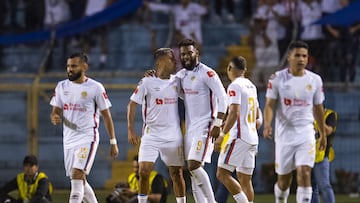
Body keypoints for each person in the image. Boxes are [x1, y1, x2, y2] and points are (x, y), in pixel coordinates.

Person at [49, 52, 119, 203]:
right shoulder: (61, 86)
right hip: (68, 139)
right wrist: (54, 116)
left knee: (77, 174)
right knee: (80, 180)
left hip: (87, 138)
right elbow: (55, 110)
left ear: (84, 67)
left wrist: (113, 142)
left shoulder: (95, 87)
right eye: (68, 66)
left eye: (74, 66)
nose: (70, 69)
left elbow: (106, 116)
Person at [263, 40, 327, 203]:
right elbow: (270, 105)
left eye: (304, 56)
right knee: (284, 180)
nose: (301, 59)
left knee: (304, 173)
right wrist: (268, 124)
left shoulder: (315, 80)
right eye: (297, 55)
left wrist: (323, 134)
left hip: (306, 133)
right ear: (289, 57)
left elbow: (318, 108)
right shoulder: (277, 78)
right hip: (284, 135)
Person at [127, 48, 186, 203]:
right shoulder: (147, 82)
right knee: (144, 172)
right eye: (171, 58)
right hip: (151, 134)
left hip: (173, 135)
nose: (175, 61)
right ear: (160, 61)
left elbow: (192, 95)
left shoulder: (177, 81)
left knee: (177, 174)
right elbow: (132, 105)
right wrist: (131, 130)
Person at [176, 38, 228, 203]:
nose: (186, 57)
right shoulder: (181, 75)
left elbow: (223, 99)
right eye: (183, 54)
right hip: (190, 129)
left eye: (189, 53)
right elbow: (169, 88)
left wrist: (218, 124)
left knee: (193, 165)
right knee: (194, 173)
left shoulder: (208, 73)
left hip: (206, 127)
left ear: (196, 53)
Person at [214, 56, 262, 203]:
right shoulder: (251, 86)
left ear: (229, 68)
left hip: (239, 136)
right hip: (252, 138)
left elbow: (234, 112)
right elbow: (257, 117)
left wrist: (222, 135)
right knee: (245, 180)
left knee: (222, 174)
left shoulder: (234, 86)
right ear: (245, 70)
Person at [311, 108, 338, 203]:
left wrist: (316, 117)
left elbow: (328, 131)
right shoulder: (307, 114)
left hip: (322, 156)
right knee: (312, 189)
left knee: (324, 185)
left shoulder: (330, 114)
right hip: (307, 156)